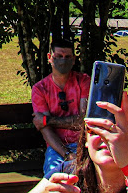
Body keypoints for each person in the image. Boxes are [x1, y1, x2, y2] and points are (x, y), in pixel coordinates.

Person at [28, 92, 128, 193]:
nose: (106, 135)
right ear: (86, 140)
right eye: (96, 128)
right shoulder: (67, 173)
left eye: (119, 128)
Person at [32, 39, 91, 176]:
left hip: (84, 143)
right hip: (57, 148)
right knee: (55, 176)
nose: (63, 61)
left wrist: (47, 120)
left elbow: (83, 121)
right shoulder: (40, 89)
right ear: (49, 58)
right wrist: (67, 154)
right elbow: (45, 130)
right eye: (58, 56)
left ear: (74, 59)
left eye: (67, 57)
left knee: (87, 175)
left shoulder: (83, 81)